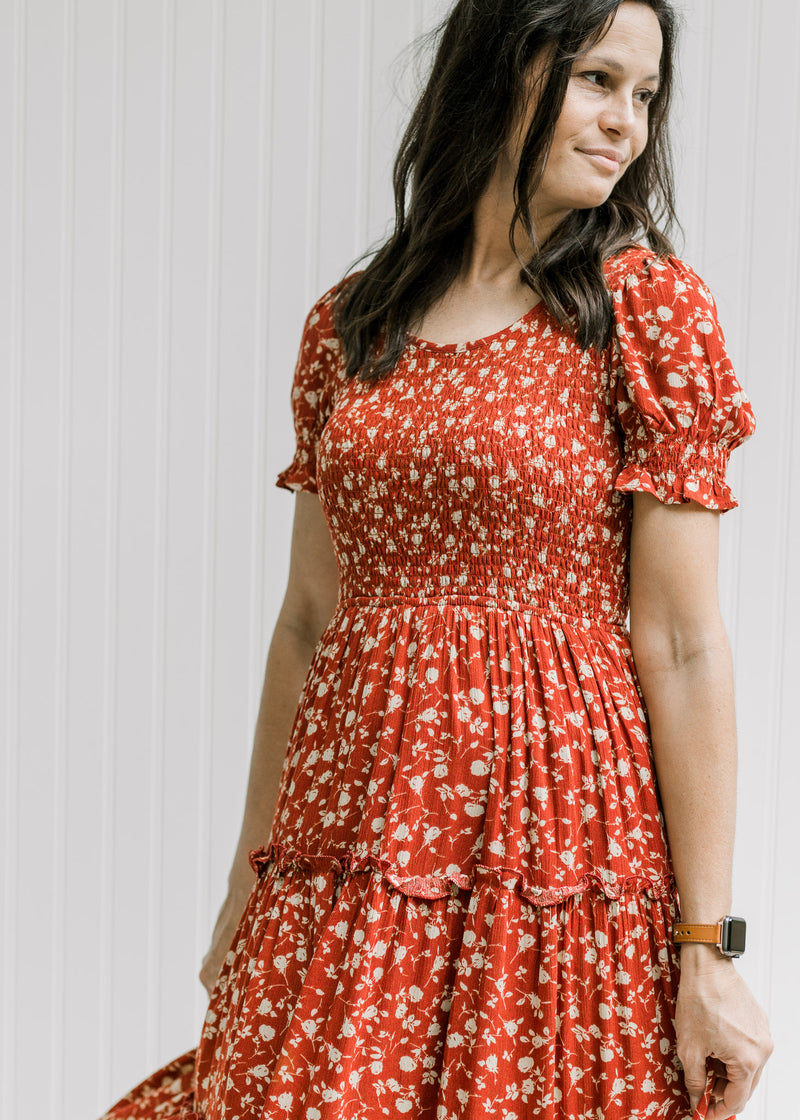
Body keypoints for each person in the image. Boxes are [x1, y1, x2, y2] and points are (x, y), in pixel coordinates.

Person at [98, 1, 775, 1118]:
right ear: (499, 71)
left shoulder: (645, 311)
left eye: (644, 95)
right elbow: (309, 620)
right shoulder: (348, 325)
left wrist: (707, 947)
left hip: (554, 851)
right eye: (595, 81)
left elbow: (682, 640)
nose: (625, 125)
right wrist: (245, 882)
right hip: (353, 833)